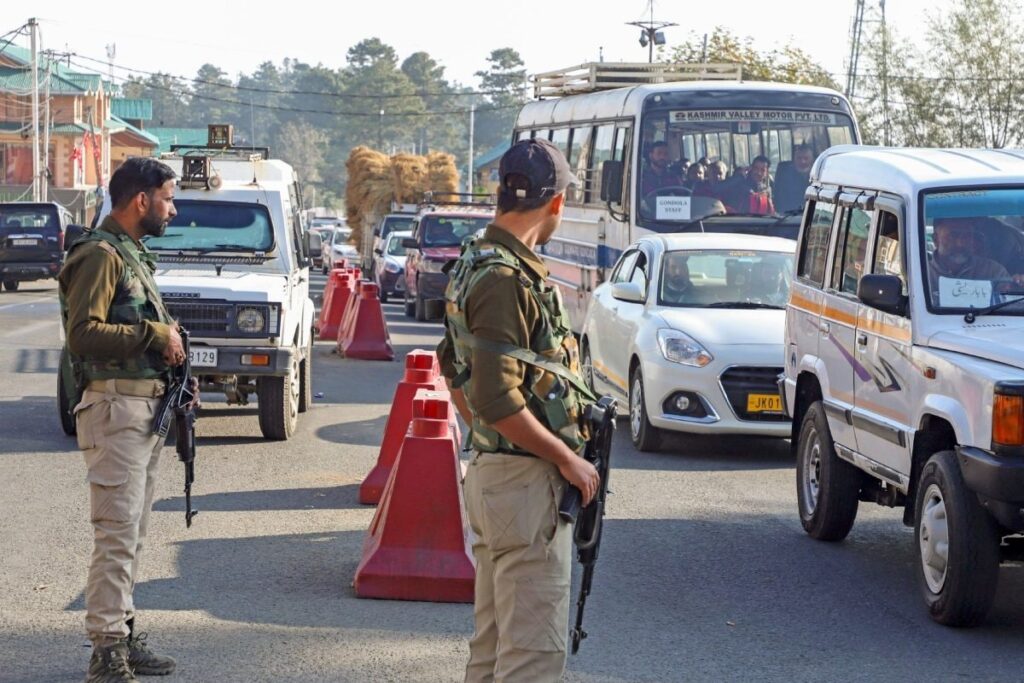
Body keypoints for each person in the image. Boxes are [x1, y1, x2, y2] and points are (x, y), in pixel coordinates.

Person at [437, 138, 600, 683]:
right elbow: (496, 397)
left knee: (494, 645)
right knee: (532, 655)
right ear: (556, 204)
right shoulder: (506, 278)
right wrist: (566, 459)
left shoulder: (477, 262)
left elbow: (454, 370)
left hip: (497, 475)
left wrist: (488, 437)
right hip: (523, 483)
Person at [60, 157, 183, 683]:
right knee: (116, 532)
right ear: (142, 200)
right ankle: (106, 652)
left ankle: (124, 635)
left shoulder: (130, 254)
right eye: (168, 199)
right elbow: (82, 335)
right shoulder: (100, 255)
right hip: (114, 408)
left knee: (131, 531)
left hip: (141, 406)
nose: (172, 209)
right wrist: (156, 338)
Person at [928, 217, 1009, 284]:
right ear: (936, 240)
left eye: (967, 236)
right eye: (953, 236)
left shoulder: (993, 272)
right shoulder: (921, 275)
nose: (960, 244)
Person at [774, 144, 815, 213]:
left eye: (806, 158)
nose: (803, 161)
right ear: (794, 159)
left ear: (812, 160)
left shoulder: (819, 177)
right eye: (799, 158)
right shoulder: (785, 178)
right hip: (789, 219)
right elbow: (780, 202)